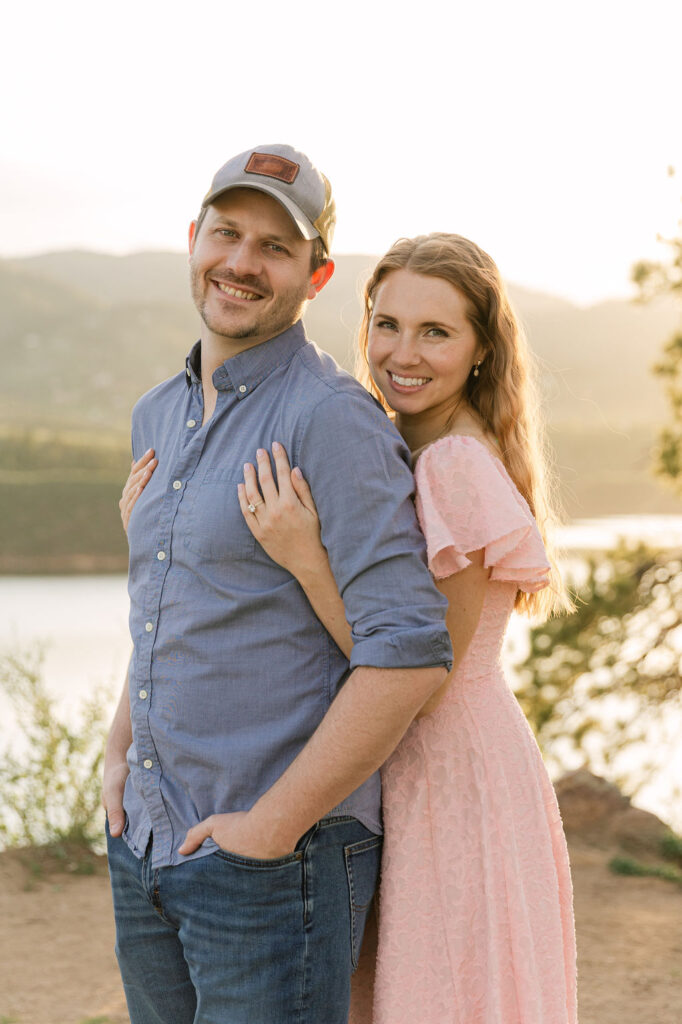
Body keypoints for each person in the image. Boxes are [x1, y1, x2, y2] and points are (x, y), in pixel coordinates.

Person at [103, 144, 453, 1024]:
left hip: (274, 859)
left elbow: (408, 657)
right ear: (193, 239)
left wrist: (271, 828)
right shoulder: (158, 411)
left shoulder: (332, 421)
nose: (241, 263)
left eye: (275, 247)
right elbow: (166, 605)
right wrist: (117, 749)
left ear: (317, 274)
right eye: (228, 233)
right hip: (148, 839)